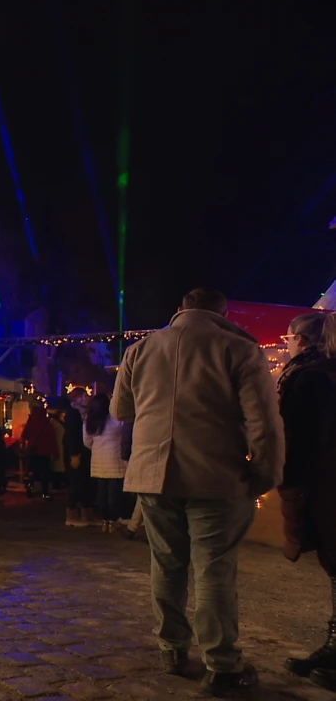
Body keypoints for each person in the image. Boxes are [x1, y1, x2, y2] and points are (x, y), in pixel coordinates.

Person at [111, 288, 283, 695]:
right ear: (222, 313)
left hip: (153, 475)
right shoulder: (238, 348)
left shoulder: (140, 349)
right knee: (214, 568)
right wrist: (265, 472)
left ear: (180, 310)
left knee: (167, 564)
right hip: (216, 476)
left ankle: (171, 650)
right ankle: (222, 664)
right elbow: (263, 421)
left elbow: (121, 411)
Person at [276, 312, 336, 688]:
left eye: (288, 338)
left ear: (299, 338)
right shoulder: (320, 372)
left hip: (325, 482)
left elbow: (301, 437)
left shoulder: (309, 376)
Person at [83, 394, 129, 533]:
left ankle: (104, 520)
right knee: (114, 493)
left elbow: (87, 442)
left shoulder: (90, 422)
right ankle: (112, 521)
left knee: (102, 492)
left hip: (98, 462)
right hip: (115, 460)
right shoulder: (116, 420)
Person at [54, 395, 95, 527]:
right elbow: (72, 435)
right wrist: (74, 454)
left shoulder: (80, 414)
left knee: (82, 483)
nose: (87, 399)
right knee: (76, 483)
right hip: (76, 453)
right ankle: (72, 514)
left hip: (80, 452)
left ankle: (85, 513)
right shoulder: (74, 415)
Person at [21, 402, 58, 499]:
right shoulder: (47, 423)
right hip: (45, 452)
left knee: (33, 471)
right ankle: (45, 492)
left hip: (32, 451)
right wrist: (56, 452)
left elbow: (24, 435)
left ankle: (30, 487)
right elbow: (52, 439)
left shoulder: (31, 422)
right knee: (45, 473)